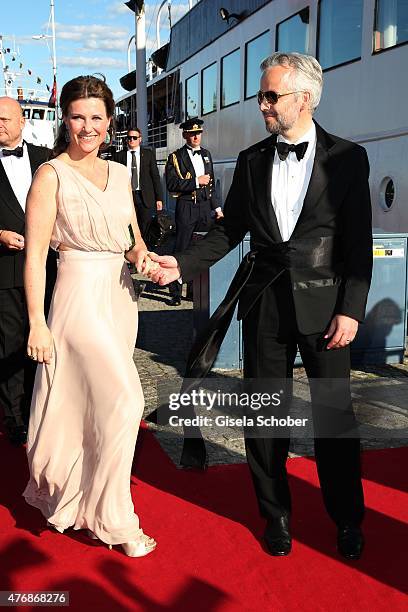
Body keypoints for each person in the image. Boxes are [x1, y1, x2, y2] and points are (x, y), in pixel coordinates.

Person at [149, 53, 373, 560]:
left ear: (305, 98)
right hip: (266, 303)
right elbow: (231, 231)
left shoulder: (348, 158)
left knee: (335, 417)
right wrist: (180, 265)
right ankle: (275, 515)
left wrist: (352, 309)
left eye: (272, 96)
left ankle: (348, 519)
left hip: (327, 307)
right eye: (262, 95)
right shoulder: (251, 160)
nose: (262, 105)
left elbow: (358, 239)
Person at [22, 75, 157, 558]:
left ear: (109, 121)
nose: (87, 126)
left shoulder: (120, 173)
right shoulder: (51, 174)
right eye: (78, 116)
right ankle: (115, 519)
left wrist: (144, 258)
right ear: (65, 119)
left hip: (119, 297)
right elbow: (36, 255)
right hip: (77, 297)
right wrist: (37, 322)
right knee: (126, 401)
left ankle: (84, 500)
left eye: (96, 117)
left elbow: (132, 238)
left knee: (97, 405)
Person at [0, 96, 57, 446]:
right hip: (4, 271)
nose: (0, 124)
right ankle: (15, 417)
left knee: (45, 338)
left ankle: (44, 408)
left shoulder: (45, 159)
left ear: (23, 122)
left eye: (6, 118)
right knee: (10, 343)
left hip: (49, 270)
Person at [165, 118, 223, 306]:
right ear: (185, 135)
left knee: (201, 249)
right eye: (192, 133)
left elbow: (212, 184)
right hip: (187, 207)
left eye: (198, 133)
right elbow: (171, 184)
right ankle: (174, 291)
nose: (196, 136)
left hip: (205, 208)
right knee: (182, 248)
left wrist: (217, 208)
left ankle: (194, 290)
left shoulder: (206, 154)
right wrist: (196, 182)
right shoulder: (175, 157)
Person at [112, 126, 163, 239]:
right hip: (127, 196)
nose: (131, 140)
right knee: (128, 226)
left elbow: (155, 177)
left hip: (145, 197)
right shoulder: (118, 156)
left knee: (145, 226)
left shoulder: (148, 154)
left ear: (140, 139)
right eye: (129, 137)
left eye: (134, 137)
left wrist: (159, 198)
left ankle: (145, 251)